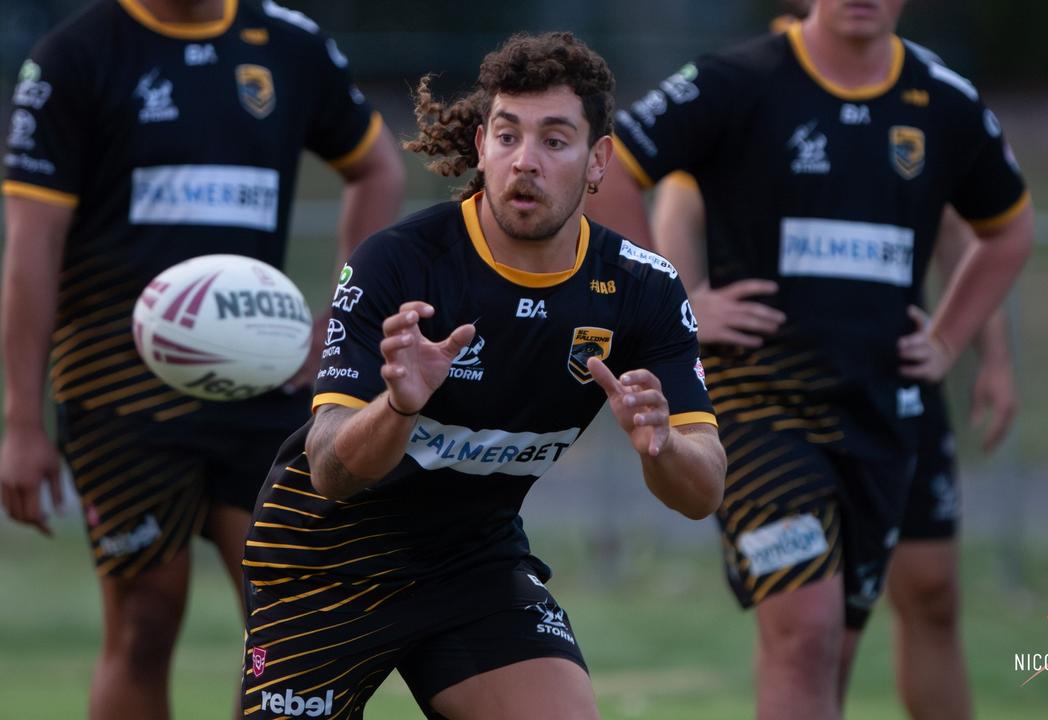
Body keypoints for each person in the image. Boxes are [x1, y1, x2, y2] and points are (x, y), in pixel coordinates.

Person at [238, 31, 725, 720]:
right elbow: (329, 470)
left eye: (555, 141)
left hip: (471, 561)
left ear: (598, 161)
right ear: (481, 147)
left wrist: (664, 445)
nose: (525, 161)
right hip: (325, 560)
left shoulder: (641, 289)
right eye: (506, 136)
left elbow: (703, 491)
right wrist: (399, 407)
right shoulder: (400, 265)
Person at [590, 0, 1035, 717]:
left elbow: (1008, 228)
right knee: (806, 634)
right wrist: (676, 299)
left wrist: (953, 338)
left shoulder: (943, 99)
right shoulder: (734, 80)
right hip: (758, 404)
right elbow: (608, 170)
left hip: (883, 411)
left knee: (842, 645)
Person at [0, 1, 404, 718]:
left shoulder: (287, 44)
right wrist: (21, 423)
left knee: (292, 620)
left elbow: (376, 168)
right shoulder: (76, 57)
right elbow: (31, 246)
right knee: (146, 619)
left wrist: (337, 323)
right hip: (118, 390)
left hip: (265, 383)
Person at [651, 172, 1016, 718]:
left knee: (932, 591)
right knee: (813, 633)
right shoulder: (748, 93)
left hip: (900, 382)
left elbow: (962, 224)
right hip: (781, 400)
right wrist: (686, 306)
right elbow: (678, 197)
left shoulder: (920, 98)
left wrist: (993, 355)